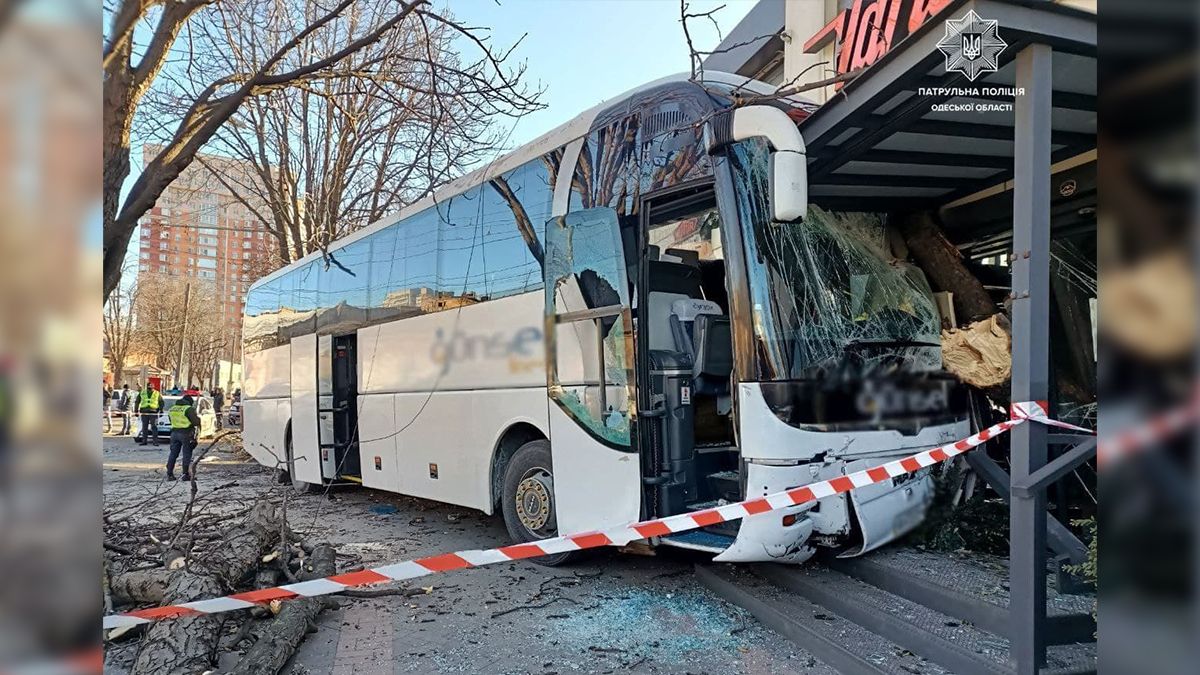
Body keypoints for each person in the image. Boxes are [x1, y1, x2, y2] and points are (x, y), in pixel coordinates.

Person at [166, 394, 200, 481]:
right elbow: (196, 422)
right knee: (186, 454)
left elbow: (171, 420)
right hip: (186, 433)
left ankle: (169, 474)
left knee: (173, 454)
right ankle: (186, 474)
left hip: (174, 433)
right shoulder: (189, 409)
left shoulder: (172, 408)